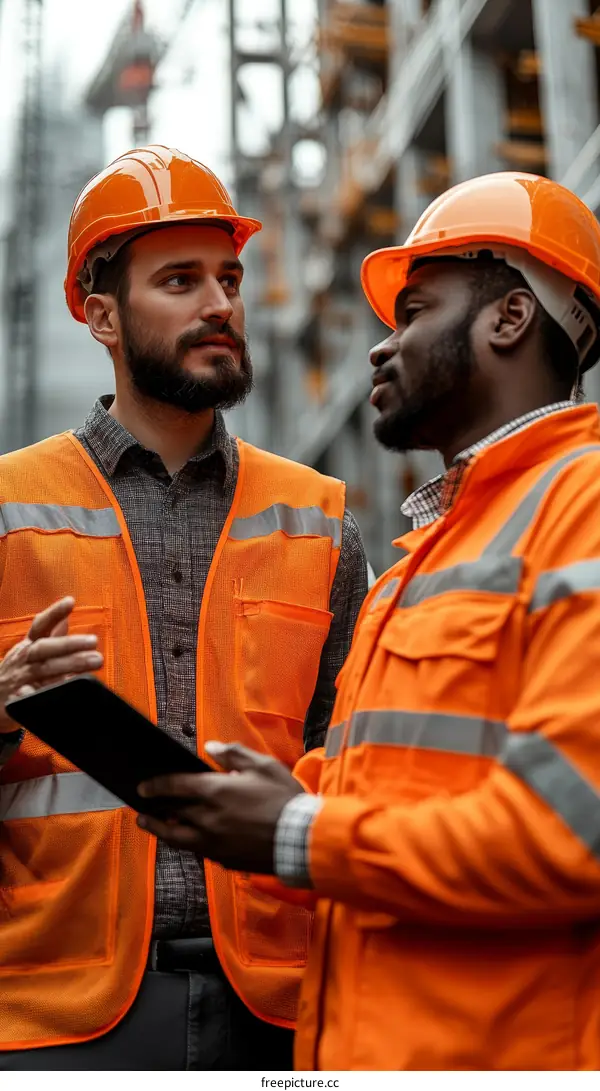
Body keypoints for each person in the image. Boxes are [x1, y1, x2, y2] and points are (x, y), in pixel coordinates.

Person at [134, 171, 600, 1071]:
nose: (382, 351)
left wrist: (293, 830)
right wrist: (246, 811)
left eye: (415, 311)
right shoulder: (418, 561)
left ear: (510, 318)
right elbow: (380, 819)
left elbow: (574, 826)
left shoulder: (580, 506)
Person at [0, 145, 368, 1071]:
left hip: (282, 1005)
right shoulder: (7, 509)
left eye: (229, 277)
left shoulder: (318, 521)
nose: (221, 305)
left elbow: (362, 771)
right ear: (101, 315)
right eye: (180, 279)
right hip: (56, 1013)